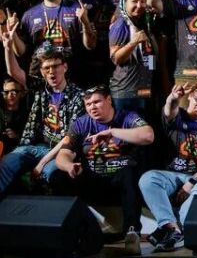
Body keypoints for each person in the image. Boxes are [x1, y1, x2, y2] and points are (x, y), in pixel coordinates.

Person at [51, 86, 155, 247]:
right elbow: (62, 155)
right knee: (57, 176)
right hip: (93, 179)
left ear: (109, 100)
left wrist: (113, 132)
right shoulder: (80, 124)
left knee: (130, 173)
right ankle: (77, 231)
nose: (92, 107)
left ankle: (132, 233)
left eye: (97, 102)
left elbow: (148, 135)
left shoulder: (127, 117)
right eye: (88, 104)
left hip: (120, 179)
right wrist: (69, 166)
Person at [138, 82, 197, 252]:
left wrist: (191, 182)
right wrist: (173, 98)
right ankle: (172, 228)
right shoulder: (178, 116)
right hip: (173, 175)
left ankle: (180, 228)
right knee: (148, 179)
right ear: (190, 96)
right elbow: (169, 110)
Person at [0, 46, 86, 192]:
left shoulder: (78, 97)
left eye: (55, 66)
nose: (51, 71)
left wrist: (42, 163)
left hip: (61, 151)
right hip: (37, 146)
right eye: (46, 68)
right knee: (5, 164)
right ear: (42, 72)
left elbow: (69, 138)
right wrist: (8, 46)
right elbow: (13, 71)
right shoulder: (40, 88)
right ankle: (4, 202)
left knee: (50, 174)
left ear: (65, 67)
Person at [108, 0, 157, 115]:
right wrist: (133, 42)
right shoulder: (121, 25)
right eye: (134, 1)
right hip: (125, 93)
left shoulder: (144, 23)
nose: (139, 5)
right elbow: (115, 58)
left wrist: (151, 73)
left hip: (144, 90)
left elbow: (149, 55)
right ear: (125, 3)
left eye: (142, 1)